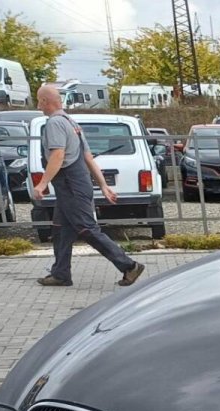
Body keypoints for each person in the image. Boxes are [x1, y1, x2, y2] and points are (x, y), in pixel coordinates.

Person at [32, 84, 145, 287]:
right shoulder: (71, 122)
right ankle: (60, 274)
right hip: (73, 185)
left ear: (44, 101)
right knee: (60, 229)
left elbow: (58, 155)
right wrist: (102, 185)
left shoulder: (55, 123)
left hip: (71, 185)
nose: (38, 105)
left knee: (87, 229)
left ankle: (129, 265)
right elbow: (87, 157)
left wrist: (42, 184)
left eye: (39, 101)